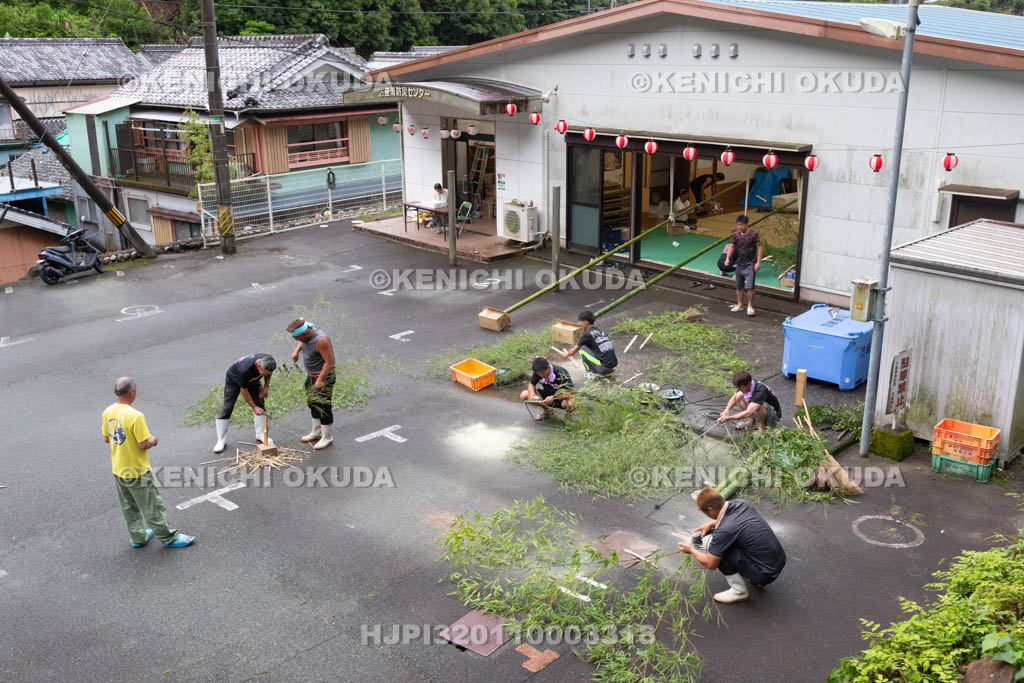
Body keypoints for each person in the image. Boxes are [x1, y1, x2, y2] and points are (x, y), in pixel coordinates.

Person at [102, 377, 194, 548]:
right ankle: (169, 538)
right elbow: (142, 444)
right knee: (152, 506)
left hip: (118, 468)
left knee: (129, 506)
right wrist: (153, 440)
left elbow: (108, 439)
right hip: (136, 470)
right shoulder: (135, 416)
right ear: (132, 392)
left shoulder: (107, 412)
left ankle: (138, 537)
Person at [677, 487, 785, 603]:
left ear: (710, 510)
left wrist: (692, 550)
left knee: (721, 555)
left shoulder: (725, 531)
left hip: (766, 573)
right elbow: (734, 522)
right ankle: (758, 580)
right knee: (733, 541)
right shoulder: (742, 504)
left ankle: (739, 592)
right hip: (779, 561)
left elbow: (711, 564)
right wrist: (711, 524)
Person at [288, 318, 336, 450]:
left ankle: (327, 437)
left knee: (323, 406)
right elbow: (302, 343)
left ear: (304, 334)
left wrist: (320, 380)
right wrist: (297, 351)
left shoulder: (321, 340)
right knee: (312, 403)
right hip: (311, 375)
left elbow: (329, 362)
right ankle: (316, 432)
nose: (297, 341)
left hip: (323, 377)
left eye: (298, 338)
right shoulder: (306, 332)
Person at [213, 353, 276, 453]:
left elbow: (269, 373)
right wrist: (254, 407)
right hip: (234, 381)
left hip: (253, 381)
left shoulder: (268, 361)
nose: (264, 375)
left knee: (260, 404)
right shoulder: (244, 369)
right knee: (227, 408)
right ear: (259, 365)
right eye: (263, 373)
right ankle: (221, 440)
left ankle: (260, 434)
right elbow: (244, 391)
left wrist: (266, 387)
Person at [722, 214, 762, 316]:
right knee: (739, 286)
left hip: (750, 264)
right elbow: (731, 246)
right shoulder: (736, 234)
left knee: (750, 286)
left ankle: (750, 306)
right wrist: (727, 258)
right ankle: (739, 305)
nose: (740, 227)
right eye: (738, 225)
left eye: (742, 225)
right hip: (739, 264)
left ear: (746, 224)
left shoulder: (754, 234)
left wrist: (758, 262)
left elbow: (759, 247)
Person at [560, 310, 617, 377]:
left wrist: (565, 355)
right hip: (613, 366)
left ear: (586, 323)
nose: (581, 325)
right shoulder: (601, 331)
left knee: (582, 349)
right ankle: (600, 369)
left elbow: (572, 352)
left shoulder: (587, 334)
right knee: (590, 347)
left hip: (604, 368)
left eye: (581, 322)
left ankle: (591, 372)